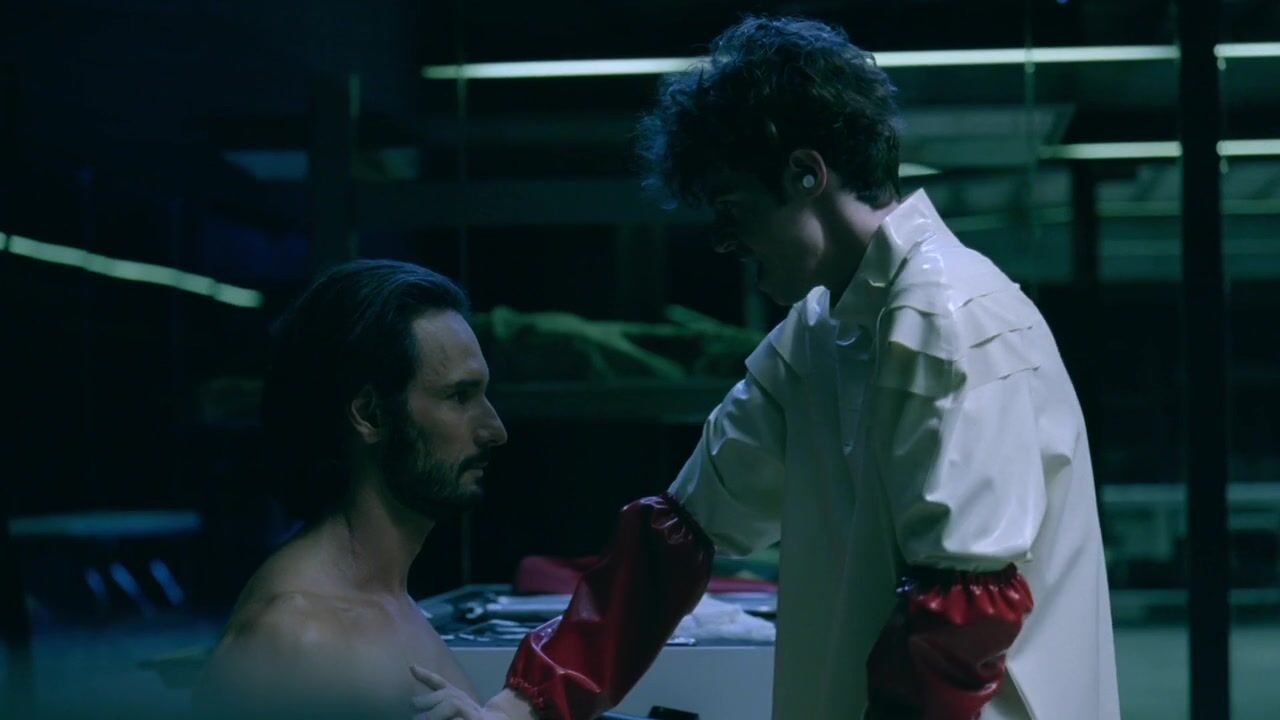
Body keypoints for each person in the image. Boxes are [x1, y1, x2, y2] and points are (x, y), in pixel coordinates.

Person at [447, 14, 1121, 720]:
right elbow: (678, 535)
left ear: (807, 173)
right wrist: (520, 707)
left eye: (731, 207)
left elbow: (963, 621)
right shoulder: (820, 333)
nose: (723, 241)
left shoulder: (953, 319)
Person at [192, 260, 540, 719]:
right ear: (371, 415)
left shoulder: (393, 605)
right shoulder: (292, 639)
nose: (495, 430)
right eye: (459, 396)